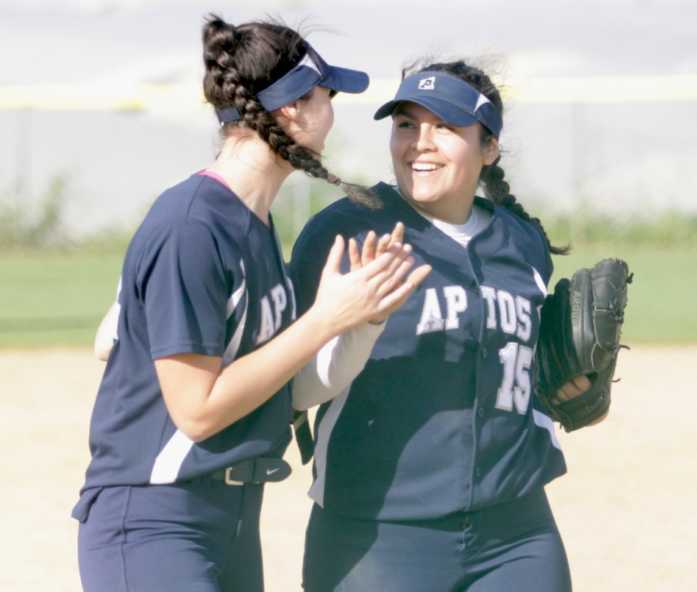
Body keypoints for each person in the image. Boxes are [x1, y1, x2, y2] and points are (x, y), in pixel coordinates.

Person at [72, 14, 430, 592]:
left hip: (232, 522)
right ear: (290, 108)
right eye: (327, 94)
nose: (333, 113)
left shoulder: (253, 226)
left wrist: (361, 322)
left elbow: (285, 390)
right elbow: (197, 410)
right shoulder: (193, 223)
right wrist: (324, 319)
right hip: (154, 520)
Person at [290, 60, 593, 591]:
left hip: (516, 531)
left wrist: (571, 390)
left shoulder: (521, 243)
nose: (419, 143)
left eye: (445, 128)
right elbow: (288, 374)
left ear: (489, 148)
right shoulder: (345, 231)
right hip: (377, 531)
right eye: (406, 124)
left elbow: (527, 366)